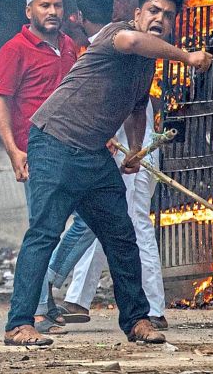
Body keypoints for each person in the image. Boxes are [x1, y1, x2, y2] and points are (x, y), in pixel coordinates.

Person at [3, 0, 212, 347]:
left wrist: (135, 151)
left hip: (92, 153)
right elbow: (133, 43)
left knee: (121, 235)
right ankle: (19, 324)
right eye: (153, 11)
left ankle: (136, 321)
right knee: (44, 233)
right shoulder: (120, 34)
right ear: (136, 15)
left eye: (167, 15)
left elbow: (135, 108)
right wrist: (187, 57)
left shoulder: (147, 64)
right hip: (55, 141)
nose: (159, 19)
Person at [0, 0, 79, 332]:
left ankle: (48, 278)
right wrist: (13, 150)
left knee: (90, 222)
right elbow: (1, 101)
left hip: (74, 149)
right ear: (29, 11)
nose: (53, 12)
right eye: (45, 6)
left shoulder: (71, 46)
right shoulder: (14, 49)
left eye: (57, 6)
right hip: (36, 153)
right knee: (42, 227)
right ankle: (39, 309)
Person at [55, 99, 169, 330]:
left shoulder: (120, 66)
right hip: (120, 152)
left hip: (132, 155)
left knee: (136, 227)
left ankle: (153, 308)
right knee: (101, 222)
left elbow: (128, 110)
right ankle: (78, 299)